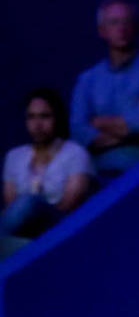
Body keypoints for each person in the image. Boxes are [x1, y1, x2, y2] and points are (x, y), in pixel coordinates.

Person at [69, 0, 139, 179]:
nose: (121, 29)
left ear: (136, 27)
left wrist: (97, 122)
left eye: (127, 22)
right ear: (102, 31)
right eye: (114, 23)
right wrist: (130, 132)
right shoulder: (87, 80)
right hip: (101, 175)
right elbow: (78, 132)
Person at [2, 88, 93, 250]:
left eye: (45, 117)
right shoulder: (14, 157)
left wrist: (36, 205)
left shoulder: (75, 153)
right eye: (31, 117)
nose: (37, 125)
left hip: (59, 225)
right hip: (22, 229)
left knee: (28, 201)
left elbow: (69, 205)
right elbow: (11, 205)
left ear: (56, 118)